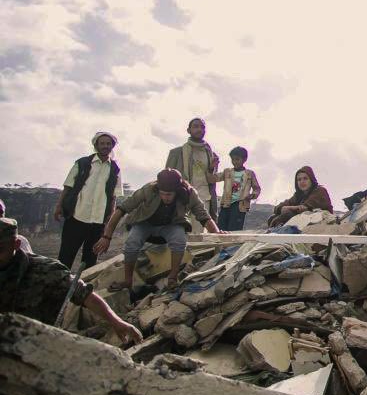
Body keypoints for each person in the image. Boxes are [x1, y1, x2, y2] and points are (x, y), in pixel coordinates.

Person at [0, 216, 142, 344]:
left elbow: (85, 295)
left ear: (17, 244)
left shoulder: (46, 271)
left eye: (0, 249)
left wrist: (116, 322)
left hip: (36, 346)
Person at [94, 169, 221, 293]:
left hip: (171, 225)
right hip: (145, 223)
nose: (166, 197)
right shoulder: (148, 189)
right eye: (163, 193)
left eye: (169, 194)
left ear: (177, 191)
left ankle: (172, 278)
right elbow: (121, 210)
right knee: (132, 242)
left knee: (180, 240)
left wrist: (217, 234)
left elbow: (203, 216)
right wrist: (106, 237)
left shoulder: (189, 193)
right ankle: (128, 281)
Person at [53, 131, 121, 269]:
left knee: (90, 260)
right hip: (77, 216)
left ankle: (83, 289)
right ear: (96, 145)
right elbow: (67, 186)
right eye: (102, 143)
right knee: (66, 256)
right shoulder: (83, 163)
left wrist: (108, 220)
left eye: (108, 144)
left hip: (98, 221)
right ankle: (59, 286)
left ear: (112, 146)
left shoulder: (115, 169)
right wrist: (59, 206)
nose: (105, 146)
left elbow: (114, 196)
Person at [165, 117, 220, 228]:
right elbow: (166, 179)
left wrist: (212, 168)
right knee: (180, 233)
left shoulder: (211, 155)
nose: (199, 129)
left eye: (202, 127)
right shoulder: (177, 153)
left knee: (200, 236)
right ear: (188, 130)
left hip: (204, 198)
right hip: (182, 199)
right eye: (196, 126)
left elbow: (212, 180)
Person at [215, 146, 261, 231]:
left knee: (234, 229)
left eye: (237, 159)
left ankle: (232, 245)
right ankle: (221, 244)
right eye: (233, 159)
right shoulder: (227, 172)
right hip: (226, 204)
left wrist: (252, 195)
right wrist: (213, 167)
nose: (235, 162)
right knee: (221, 228)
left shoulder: (249, 174)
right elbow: (214, 178)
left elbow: (257, 188)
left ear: (244, 159)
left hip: (240, 205)